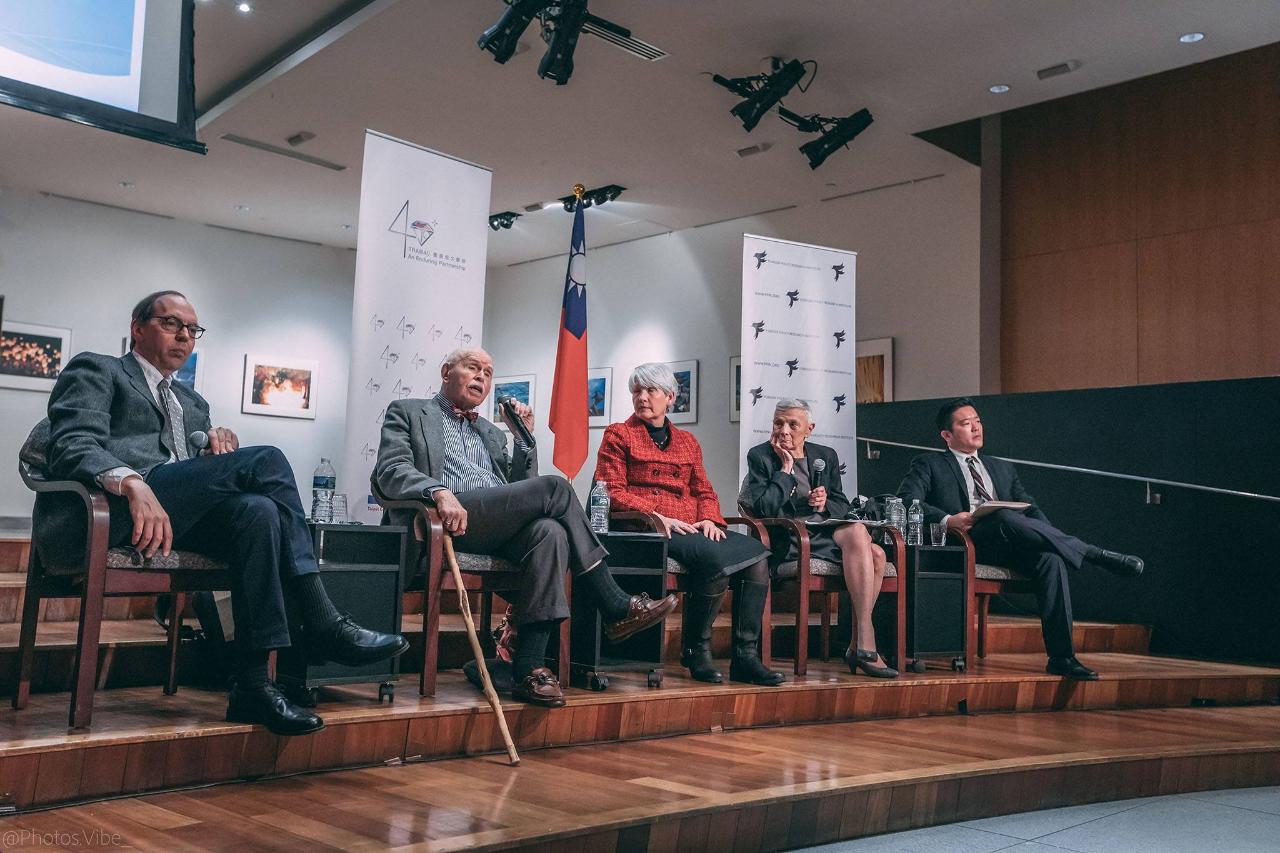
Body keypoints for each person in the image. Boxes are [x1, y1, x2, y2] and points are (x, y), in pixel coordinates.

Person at [41, 291, 407, 735]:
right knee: (268, 459)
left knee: (258, 513)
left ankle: (253, 685)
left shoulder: (192, 402)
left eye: (192, 329)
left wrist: (214, 450)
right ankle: (322, 619)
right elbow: (72, 444)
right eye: (171, 323)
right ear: (137, 328)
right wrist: (132, 483)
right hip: (111, 510)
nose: (184, 336)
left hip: (172, 517)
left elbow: (190, 474)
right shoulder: (98, 369)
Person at [374, 347, 676, 708]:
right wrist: (437, 491)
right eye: (473, 368)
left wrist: (523, 439)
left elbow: (520, 490)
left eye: (488, 373)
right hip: (447, 520)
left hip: (492, 524)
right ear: (446, 372)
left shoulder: (491, 432)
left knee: (551, 532)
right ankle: (612, 602)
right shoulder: (408, 412)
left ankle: (529, 669)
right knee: (556, 488)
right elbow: (390, 471)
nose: (481, 377)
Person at [897, 397, 1145, 680]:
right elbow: (906, 500)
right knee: (1003, 515)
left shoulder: (1001, 467)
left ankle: (1062, 658)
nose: (976, 427)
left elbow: (1030, 509)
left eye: (978, 421)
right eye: (966, 424)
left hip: (1010, 541)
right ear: (947, 435)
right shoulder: (930, 464)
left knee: (1050, 560)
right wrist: (947, 519)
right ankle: (1092, 554)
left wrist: (1048, 540)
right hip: (968, 542)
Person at [594, 362, 785, 686]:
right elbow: (610, 490)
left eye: (651, 390)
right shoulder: (619, 434)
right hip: (647, 528)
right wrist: (656, 514)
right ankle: (697, 651)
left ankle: (746, 658)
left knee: (757, 557)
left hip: (690, 525)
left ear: (670, 397)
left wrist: (710, 517)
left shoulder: (687, 441)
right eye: (637, 391)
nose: (642, 397)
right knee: (714, 558)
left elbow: (703, 490)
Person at [746, 399, 897, 678]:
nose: (784, 430)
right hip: (792, 538)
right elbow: (765, 509)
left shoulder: (825, 455)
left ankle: (861, 638)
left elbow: (842, 504)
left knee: (861, 533)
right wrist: (785, 469)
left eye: (793, 424)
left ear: (809, 429)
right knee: (875, 555)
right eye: (778, 423)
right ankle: (864, 642)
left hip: (825, 533)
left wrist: (825, 502)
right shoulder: (761, 456)